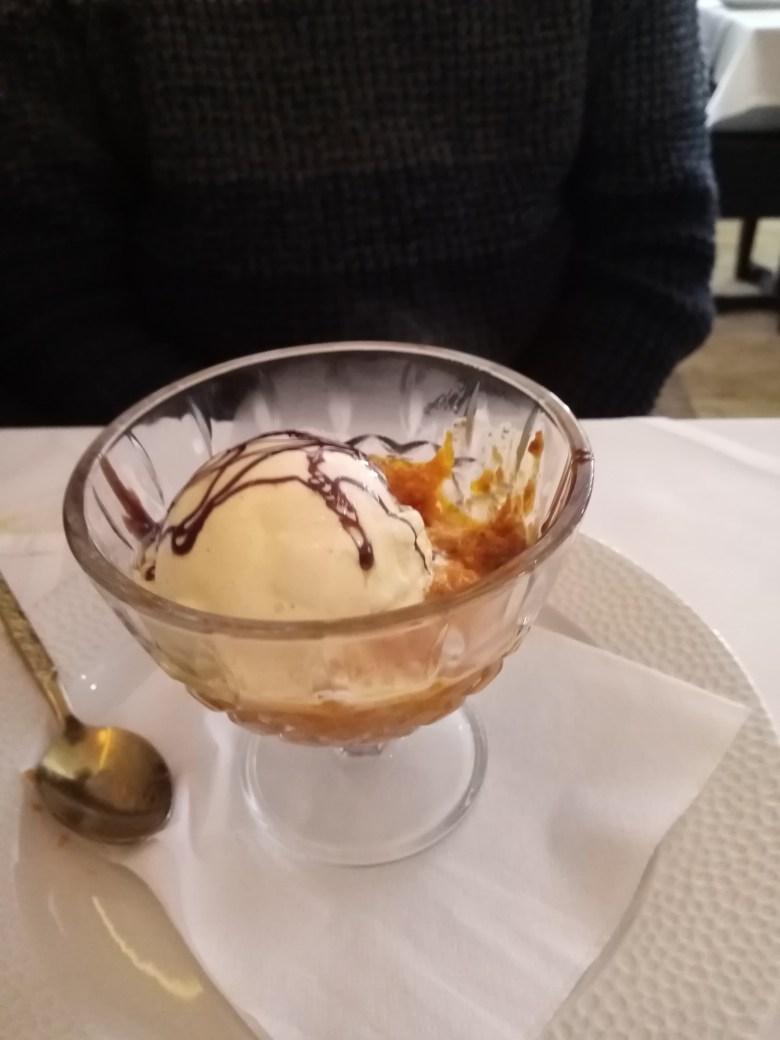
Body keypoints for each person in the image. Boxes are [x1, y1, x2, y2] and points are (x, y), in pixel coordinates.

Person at [0, 0, 716, 425]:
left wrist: (514, 452)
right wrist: (241, 464)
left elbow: (654, 249)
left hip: (535, 436)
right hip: (171, 457)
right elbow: (42, 289)